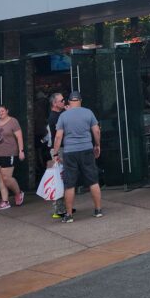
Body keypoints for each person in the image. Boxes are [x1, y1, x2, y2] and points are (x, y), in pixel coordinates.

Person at [50, 92, 102, 221]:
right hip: (86, 149)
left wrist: (55, 153)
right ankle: (98, 210)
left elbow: (58, 136)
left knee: (70, 184)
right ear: (80, 100)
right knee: (93, 181)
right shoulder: (88, 112)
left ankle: (69, 215)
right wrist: (97, 145)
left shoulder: (63, 115)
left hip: (70, 152)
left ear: (69, 101)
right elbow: (96, 130)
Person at [0, 105, 25, 211]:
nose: (0, 113)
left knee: (6, 177)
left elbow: (19, 136)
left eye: (2, 111)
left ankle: (18, 193)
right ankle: (5, 201)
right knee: (0, 178)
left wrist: (21, 151)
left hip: (9, 152)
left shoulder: (13, 121)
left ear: (7, 111)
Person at [45, 92, 69, 220]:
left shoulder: (60, 115)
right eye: (61, 100)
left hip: (61, 149)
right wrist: (55, 153)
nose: (64, 102)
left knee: (65, 178)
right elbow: (58, 136)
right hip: (58, 150)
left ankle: (65, 206)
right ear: (54, 103)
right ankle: (59, 209)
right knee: (60, 178)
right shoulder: (54, 117)